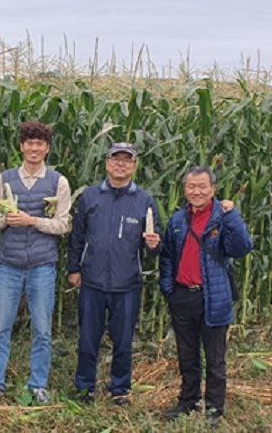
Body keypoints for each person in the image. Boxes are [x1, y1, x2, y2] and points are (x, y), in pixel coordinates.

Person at [0, 122, 72, 405]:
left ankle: (38, 384)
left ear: (47, 148)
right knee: (1, 327)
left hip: (42, 265)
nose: (34, 148)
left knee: (42, 329)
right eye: (29, 143)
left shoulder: (59, 182)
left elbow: (64, 224)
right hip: (9, 264)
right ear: (21, 146)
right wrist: (5, 219)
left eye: (40, 144)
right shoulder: (5, 179)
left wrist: (33, 221)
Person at [66, 142, 161, 406]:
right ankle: (84, 387)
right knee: (87, 340)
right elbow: (77, 236)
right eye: (115, 159)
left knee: (123, 343)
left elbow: (156, 242)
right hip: (92, 282)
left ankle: (120, 389)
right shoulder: (90, 197)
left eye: (127, 160)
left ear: (134, 165)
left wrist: (155, 245)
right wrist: (74, 268)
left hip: (127, 283)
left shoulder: (144, 200)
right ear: (107, 163)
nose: (121, 164)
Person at [159, 166, 253, 426]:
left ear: (213, 189)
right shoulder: (178, 220)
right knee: (187, 356)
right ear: (185, 189)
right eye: (191, 186)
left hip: (213, 297)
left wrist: (232, 215)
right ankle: (188, 402)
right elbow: (167, 255)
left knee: (215, 360)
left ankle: (214, 409)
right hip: (182, 297)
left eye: (202, 187)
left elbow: (243, 247)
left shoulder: (221, 218)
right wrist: (168, 288)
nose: (196, 191)